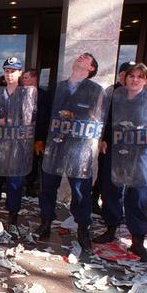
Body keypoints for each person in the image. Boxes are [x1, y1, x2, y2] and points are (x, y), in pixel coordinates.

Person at [93, 63, 147, 262]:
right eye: (131, 76)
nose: (135, 80)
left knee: (138, 195)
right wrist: (103, 138)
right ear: (125, 78)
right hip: (116, 151)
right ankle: (111, 228)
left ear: (146, 80)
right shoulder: (116, 98)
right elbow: (105, 121)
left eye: (140, 76)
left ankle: (137, 240)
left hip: (141, 153)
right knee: (111, 191)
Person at [36, 53, 107, 253]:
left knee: (80, 190)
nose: (81, 57)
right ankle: (46, 221)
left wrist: (103, 138)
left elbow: (101, 118)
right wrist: (40, 138)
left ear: (91, 68)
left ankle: (83, 228)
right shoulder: (58, 88)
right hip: (55, 146)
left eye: (87, 58)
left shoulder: (96, 91)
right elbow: (44, 114)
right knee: (48, 187)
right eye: (80, 56)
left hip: (79, 148)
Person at [0, 57, 36, 236]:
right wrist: (2, 121)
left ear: (20, 73)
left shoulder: (28, 93)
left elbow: (31, 118)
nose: (9, 74)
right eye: (6, 71)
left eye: (13, 71)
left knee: (15, 185)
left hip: (18, 147)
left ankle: (12, 218)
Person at [91, 62, 132, 214]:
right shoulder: (111, 92)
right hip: (109, 141)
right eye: (125, 74)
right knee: (104, 176)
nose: (128, 77)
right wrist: (102, 139)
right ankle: (95, 200)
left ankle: (115, 209)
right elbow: (101, 117)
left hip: (128, 143)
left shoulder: (135, 93)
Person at [23, 69, 50, 197]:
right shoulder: (21, 93)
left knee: (33, 161)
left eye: (26, 78)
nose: (23, 80)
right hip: (21, 134)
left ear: (34, 79)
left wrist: (40, 138)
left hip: (36, 136)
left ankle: (30, 186)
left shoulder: (43, 95)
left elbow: (44, 118)